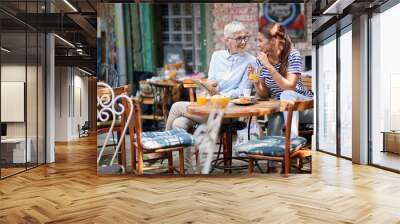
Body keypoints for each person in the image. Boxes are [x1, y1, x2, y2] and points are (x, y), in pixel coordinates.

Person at [165, 21, 256, 171]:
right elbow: (212, 82)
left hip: (229, 111)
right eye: (239, 38)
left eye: (246, 37)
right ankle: (187, 170)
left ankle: (164, 148)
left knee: (176, 107)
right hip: (209, 107)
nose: (244, 41)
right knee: (179, 123)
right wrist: (209, 87)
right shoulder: (216, 56)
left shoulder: (251, 61)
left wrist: (221, 95)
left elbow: (243, 92)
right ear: (226, 41)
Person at [248, 23, 313, 138]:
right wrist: (256, 81)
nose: (258, 45)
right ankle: (276, 152)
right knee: (274, 118)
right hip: (281, 108)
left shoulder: (293, 54)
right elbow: (264, 95)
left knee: (286, 94)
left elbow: (289, 87)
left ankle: (292, 140)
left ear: (273, 40)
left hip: (303, 107)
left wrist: (269, 66)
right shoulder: (262, 60)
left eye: (260, 40)